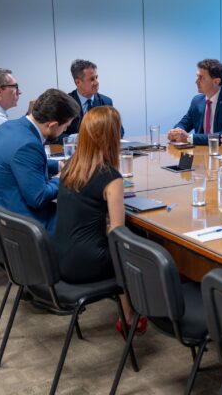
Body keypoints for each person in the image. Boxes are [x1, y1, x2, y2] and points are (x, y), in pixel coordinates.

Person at [53, 106, 144, 334]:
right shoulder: (110, 177)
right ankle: (129, 317)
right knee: (135, 250)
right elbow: (117, 234)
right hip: (86, 265)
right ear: (112, 137)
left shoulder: (70, 166)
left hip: (59, 259)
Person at [0, 89, 80, 235]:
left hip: (2, 209)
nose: (65, 130)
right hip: (25, 225)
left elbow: (23, 163)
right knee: (87, 220)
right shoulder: (28, 145)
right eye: (65, 126)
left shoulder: (9, 126)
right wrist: (62, 176)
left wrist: (58, 165)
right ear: (53, 125)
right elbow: (39, 198)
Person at [167, 59, 222, 145]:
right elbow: (185, 122)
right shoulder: (197, 100)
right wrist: (176, 132)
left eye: (201, 77)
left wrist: (190, 138)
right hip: (201, 150)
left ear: (216, 81)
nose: (196, 81)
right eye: (197, 76)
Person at [56, 59, 123, 141]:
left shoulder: (106, 101)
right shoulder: (65, 103)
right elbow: (54, 135)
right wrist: (76, 139)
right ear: (78, 82)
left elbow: (120, 131)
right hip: (76, 147)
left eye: (96, 77)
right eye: (91, 79)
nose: (96, 82)